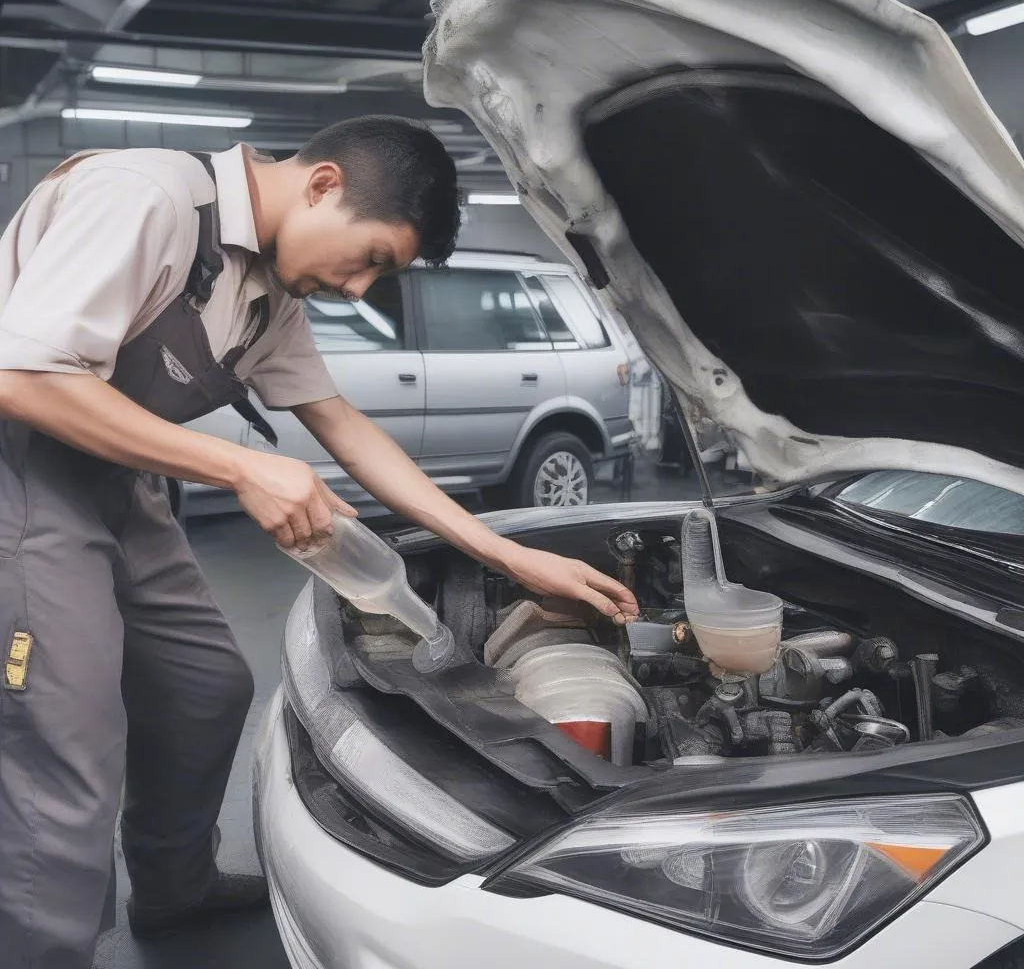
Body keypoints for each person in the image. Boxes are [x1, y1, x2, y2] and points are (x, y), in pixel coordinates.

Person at [0, 116, 639, 969]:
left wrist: (503, 554)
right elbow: (23, 375)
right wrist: (239, 468)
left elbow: (341, 423)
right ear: (323, 183)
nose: (362, 288)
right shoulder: (146, 197)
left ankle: (173, 890)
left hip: (120, 483)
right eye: (372, 256)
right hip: (21, 477)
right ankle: (44, 950)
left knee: (207, 688)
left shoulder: (271, 289)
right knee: (67, 734)